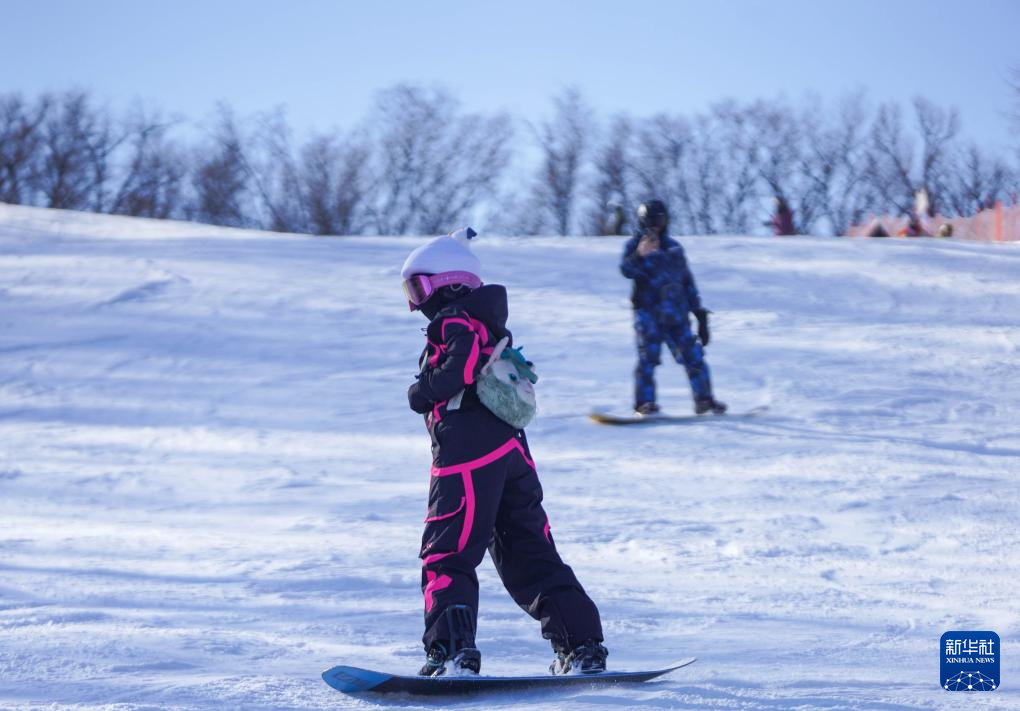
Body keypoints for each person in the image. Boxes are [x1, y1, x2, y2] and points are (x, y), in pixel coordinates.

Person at [402, 228, 607, 677]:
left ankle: (451, 652)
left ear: (452, 283)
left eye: (418, 287)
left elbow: (455, 372)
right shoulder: (490, 324)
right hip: (512, 452)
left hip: (467, 457)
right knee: (528, 550)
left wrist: (421, 391)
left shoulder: (454, 320)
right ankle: (582, 646)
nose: (415, 302)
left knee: (446, 551)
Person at [620, 200, 726, 416]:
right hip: (649, 315)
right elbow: (626, 269)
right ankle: (644, 403)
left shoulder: (674, 248)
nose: (656, 225)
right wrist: (639, 255)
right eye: (651, 220)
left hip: (677, 316)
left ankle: (704, 399)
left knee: (694, 357)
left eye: (660, 220)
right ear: (642, 221)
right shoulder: (636, 246)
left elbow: (687, 281)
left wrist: (700, 314)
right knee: (647, 359)